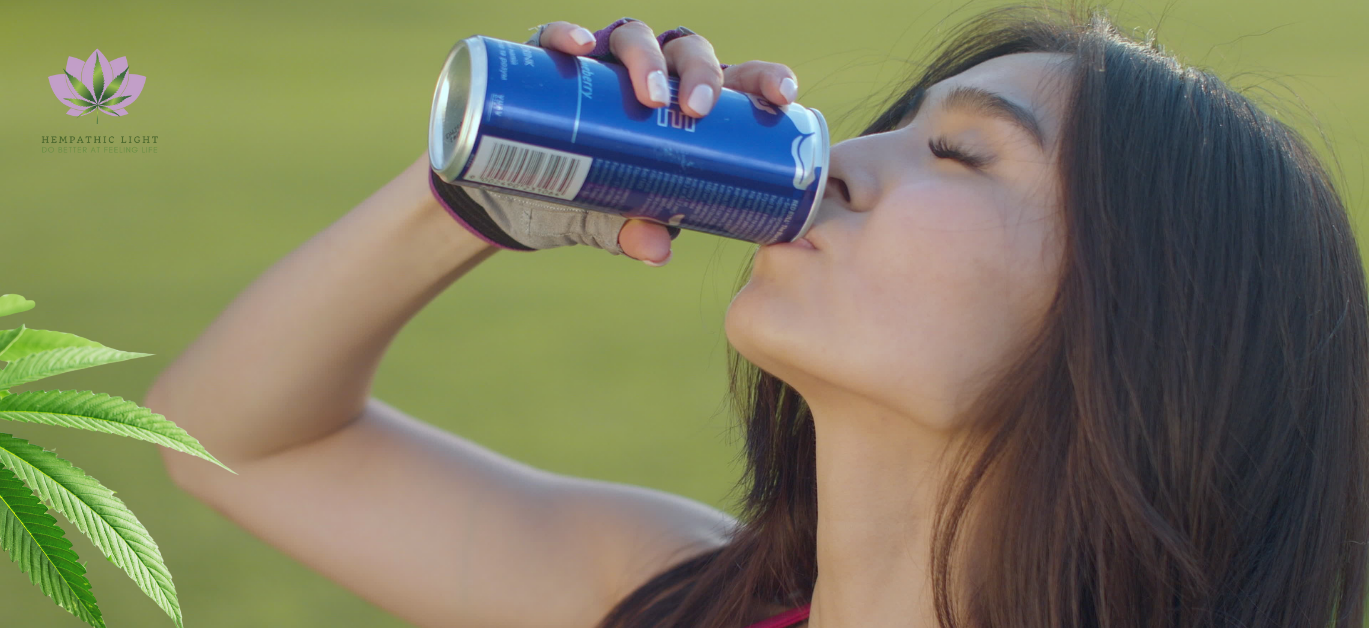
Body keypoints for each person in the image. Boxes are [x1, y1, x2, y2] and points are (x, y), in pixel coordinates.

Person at [143, 6, 1369, 628]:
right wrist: (467, 199)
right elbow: (229, 441)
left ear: (1144, 329)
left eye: (957, 151)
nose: (838, 162)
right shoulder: (680, 596)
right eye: (888, 122)